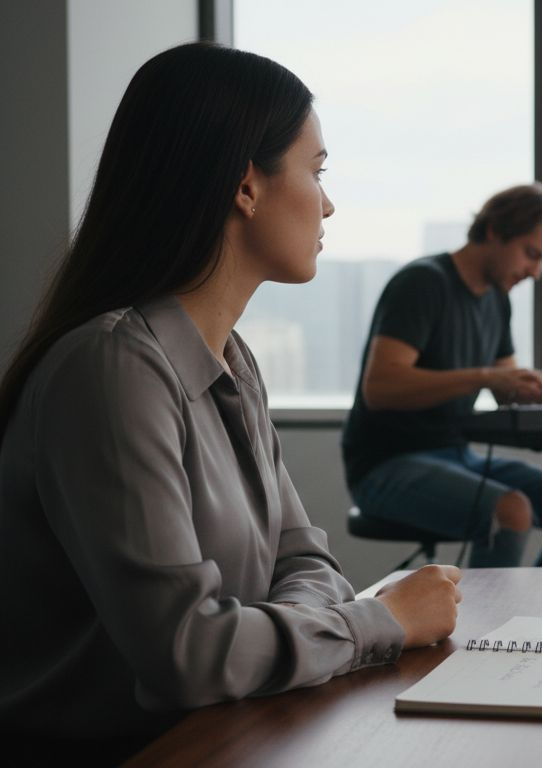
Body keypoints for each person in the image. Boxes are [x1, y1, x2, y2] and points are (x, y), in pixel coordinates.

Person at [0, 43, 462, 759]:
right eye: (316, 171)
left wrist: (278, 631)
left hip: (226, 732)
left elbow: (305, 561)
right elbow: (188, 652)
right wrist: (380, 621)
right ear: (246, 186)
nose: (329, 200)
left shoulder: (234, 364)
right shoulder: (111, 368)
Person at [341, 184, 542, 568]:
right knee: (511, 511)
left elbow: (509, 392)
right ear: (493, 231)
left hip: (459, 455)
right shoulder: (422, 282)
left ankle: (540, 617)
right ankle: (482, 628)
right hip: (386, 465)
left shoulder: (496, 300)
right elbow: (381, 388)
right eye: (531, 255)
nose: (535, 272)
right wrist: (483, 376)